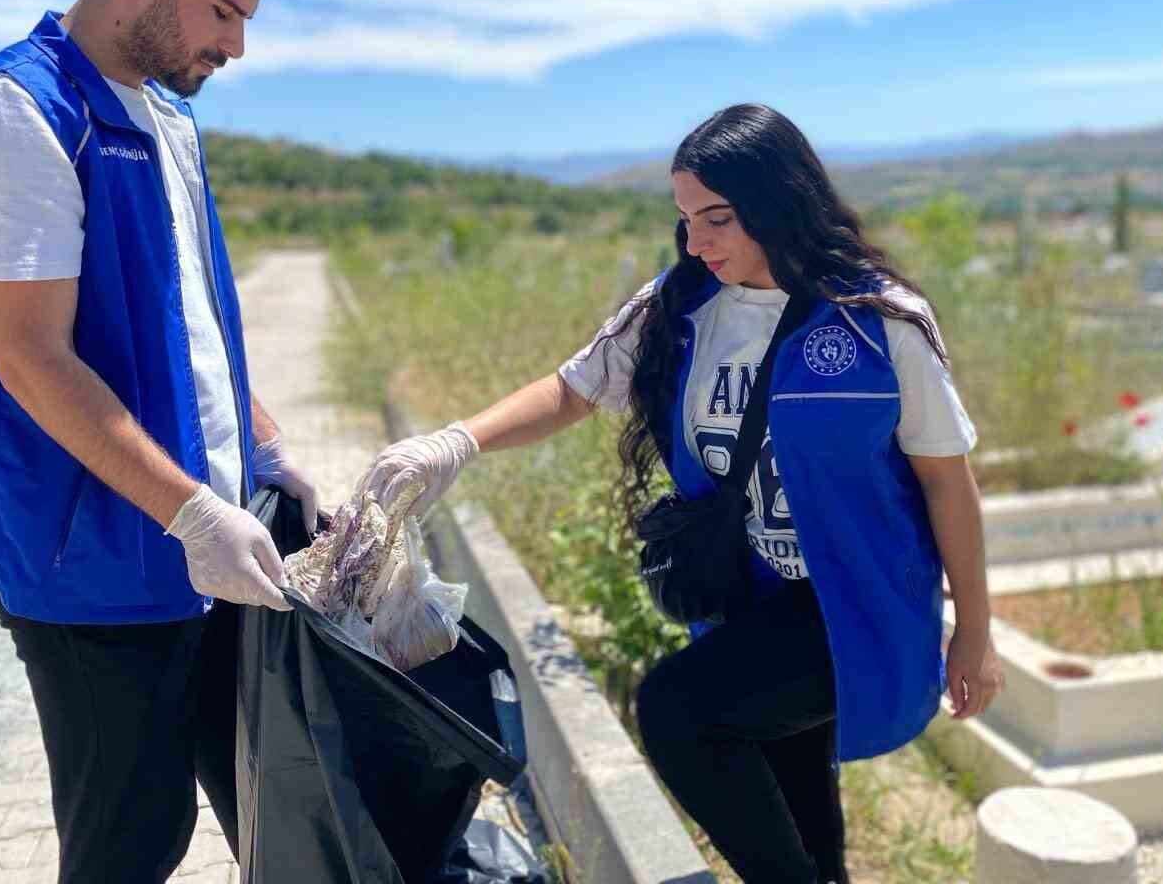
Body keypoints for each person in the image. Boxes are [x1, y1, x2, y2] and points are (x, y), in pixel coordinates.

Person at [363, 103, 1004, 884]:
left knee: (677, 711)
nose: (697, 241)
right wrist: (455, 442)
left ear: (780, 201)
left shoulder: (880, 323)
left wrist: (975, 626)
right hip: (749, 598)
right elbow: (573, 390)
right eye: (686, 218)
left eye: (718, 218)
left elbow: (947, 480)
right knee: (794, 780)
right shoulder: (683, 304)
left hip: (860, 604)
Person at [0, 0, 317, 884]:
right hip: (84, 549)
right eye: (223, 11)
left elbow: (194, 323)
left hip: (194, 523)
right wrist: (193, 515)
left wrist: (266, 450)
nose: (234, 44)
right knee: (129, 833)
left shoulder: (168, 119)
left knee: (252, 789)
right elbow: (32, 360)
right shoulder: (16, 113)